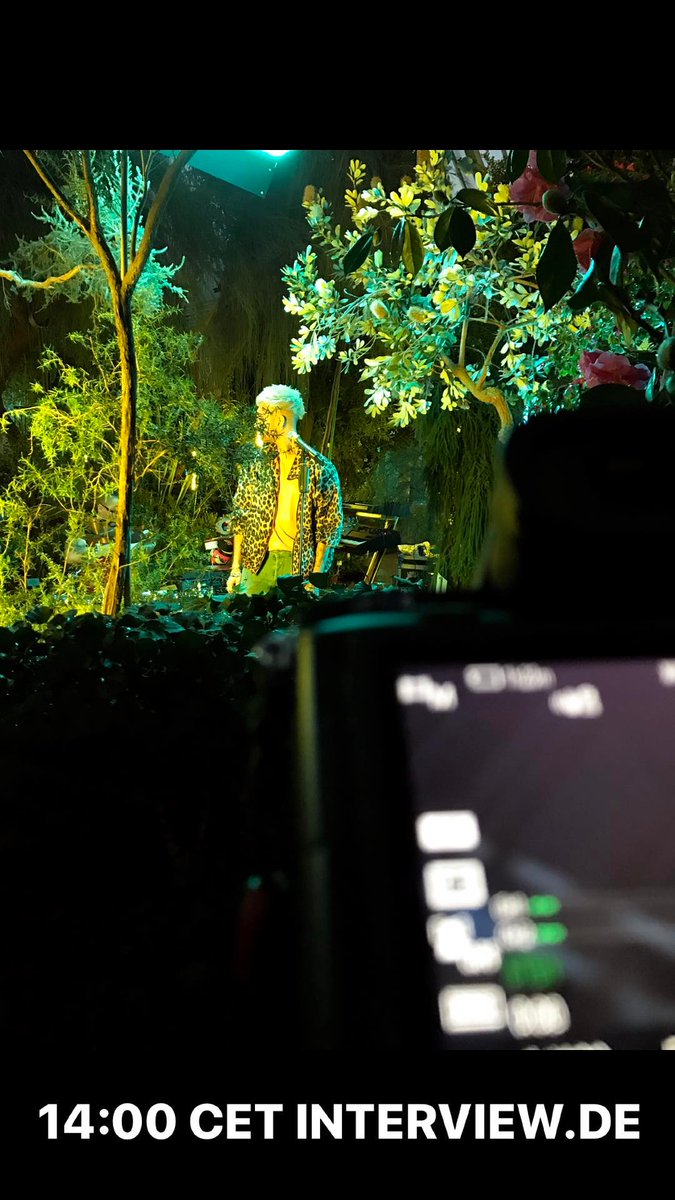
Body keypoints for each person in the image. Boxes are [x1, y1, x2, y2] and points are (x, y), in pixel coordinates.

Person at [226, 384, 343, 595]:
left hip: (297, 565)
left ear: (280, 420)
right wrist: (235, 568)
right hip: (257, 563)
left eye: (262, 416)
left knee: (292, 617)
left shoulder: (318, 467)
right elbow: (240, 517)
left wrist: (316, 576)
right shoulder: (256, 464)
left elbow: (330, 527)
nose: (257, 422)